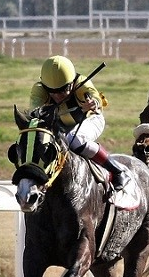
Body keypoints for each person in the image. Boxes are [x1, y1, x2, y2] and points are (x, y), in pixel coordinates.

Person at [29, 55, 132, 200]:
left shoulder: (82, 83)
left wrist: (93, 103)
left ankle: (117, 171)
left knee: (74, 139)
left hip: (91, 119)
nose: (58, 95)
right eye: (53, 91)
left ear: (71, 83)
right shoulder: (39, 90)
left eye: (63, 89)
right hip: (62, 127)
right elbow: (34, 113)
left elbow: (94, 98)